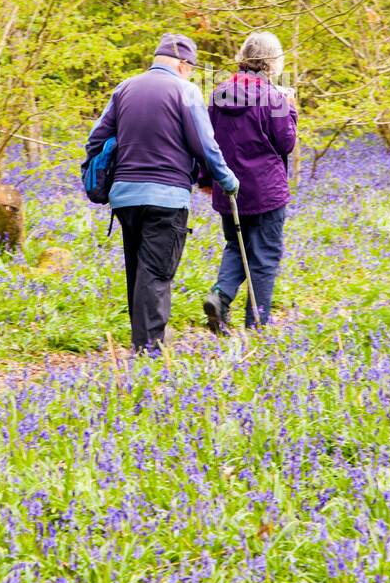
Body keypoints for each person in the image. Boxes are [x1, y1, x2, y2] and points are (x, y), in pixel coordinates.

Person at [84, 33, 239, 353]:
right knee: (155, 273)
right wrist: (227, 180)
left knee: (139, 271)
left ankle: (144, 341)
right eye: (193, 68)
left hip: (125, 197)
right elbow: (205, 145)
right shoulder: (186, 91)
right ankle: (150, 351)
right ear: (183, 65)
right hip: (167, 197)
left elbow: (95, 138)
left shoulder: (124, 88)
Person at [200, 30, 297, 332]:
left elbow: (206, 139)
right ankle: (257, 327)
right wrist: (290, 107)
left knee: (236, 246)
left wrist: (205, 179)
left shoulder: (218, 93)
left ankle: (220, 296)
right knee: (264, 257)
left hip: (229, 191)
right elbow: (287, 143)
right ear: (271, 63)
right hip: (266, 191)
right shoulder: (274, 97)